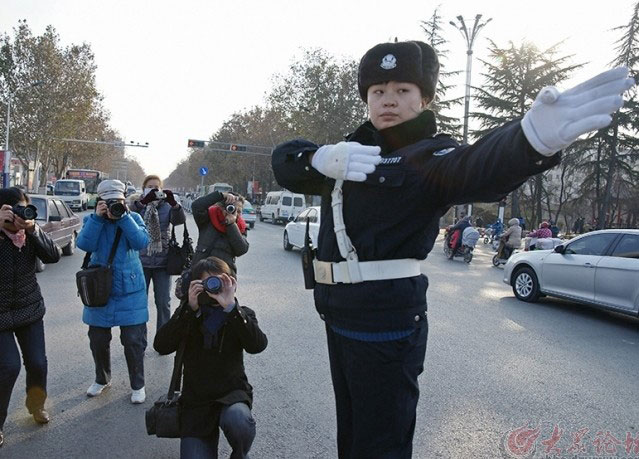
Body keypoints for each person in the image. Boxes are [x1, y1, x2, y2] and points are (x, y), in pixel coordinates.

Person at [271, 39, 633, 457]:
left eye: (403, 91)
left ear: (424, 99)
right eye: (378, 92)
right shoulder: (348, 154)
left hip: (385, 322)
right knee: (351, 437)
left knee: (380, 445)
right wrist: (318, 159)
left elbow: (476, 167)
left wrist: (530, 140)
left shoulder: (431, 155)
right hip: (338, 313)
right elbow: (284, 162)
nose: (388, 101)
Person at [154, 256, 267, 459]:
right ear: (195, 285)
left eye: (220, 282)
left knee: (239, 420)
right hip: (196, 402)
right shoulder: (188, 315)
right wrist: (189, 308)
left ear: (231, 283)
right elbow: (160, 345)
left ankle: (240, 454)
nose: (214, 289)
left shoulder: (240, 314)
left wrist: (231, 308)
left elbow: (258, 345)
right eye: (208, 283)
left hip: (231, 394)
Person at [77, 180, 150, 404]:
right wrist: (98, 219)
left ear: (124, 200)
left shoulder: (134, 218)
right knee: (98, 339)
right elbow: (84, 244)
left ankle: (138, 385)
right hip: (100, 290)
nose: (113, 207)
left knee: (133, 340)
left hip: (131, 289)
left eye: (117, 202)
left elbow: (140, 242)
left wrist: (124, 217)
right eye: (108, 202)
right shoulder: (93, 220)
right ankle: (102, 378)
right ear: (99, 201)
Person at [0, 188, 61, 447]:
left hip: (29, 309)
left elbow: (53, 255)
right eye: (14, 210)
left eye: (24, 209)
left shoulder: (31, 234)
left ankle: (36, 406)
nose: (19, 216)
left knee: (37, 363)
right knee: (8, 367)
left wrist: (34, 229)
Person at [130, 175, 186, 333]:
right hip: (141, 261)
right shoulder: (138, 205)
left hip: (163, 262)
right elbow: (128, 218)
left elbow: (179, 221)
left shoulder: (167, 206)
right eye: (150, 187)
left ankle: (163, 337)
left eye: (157, 187)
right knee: (139, 303)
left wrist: (174, 204)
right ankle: (139, 338)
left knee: (163, 303)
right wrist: (143, 203)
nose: (154, 190)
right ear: (144, 189)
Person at [190, 191, 249, 274]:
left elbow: (241, 250)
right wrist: (221, 195)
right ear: (222, 207)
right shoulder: (208, 219)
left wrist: (231, 224)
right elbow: (196, 206)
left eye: (239, 211)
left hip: (224, 273)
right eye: (231, 208)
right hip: (201, 271)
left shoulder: (240, 227)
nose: (235, 213)